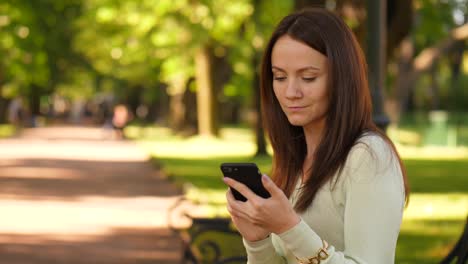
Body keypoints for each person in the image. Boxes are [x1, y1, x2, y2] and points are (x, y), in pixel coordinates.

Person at [222, 8, 409, 264]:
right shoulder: (295, 160)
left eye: (308, 78)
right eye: (279, 77)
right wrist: (257, 241)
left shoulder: (368, 156)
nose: (291, 92)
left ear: (341, 79)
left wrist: (290, 227)